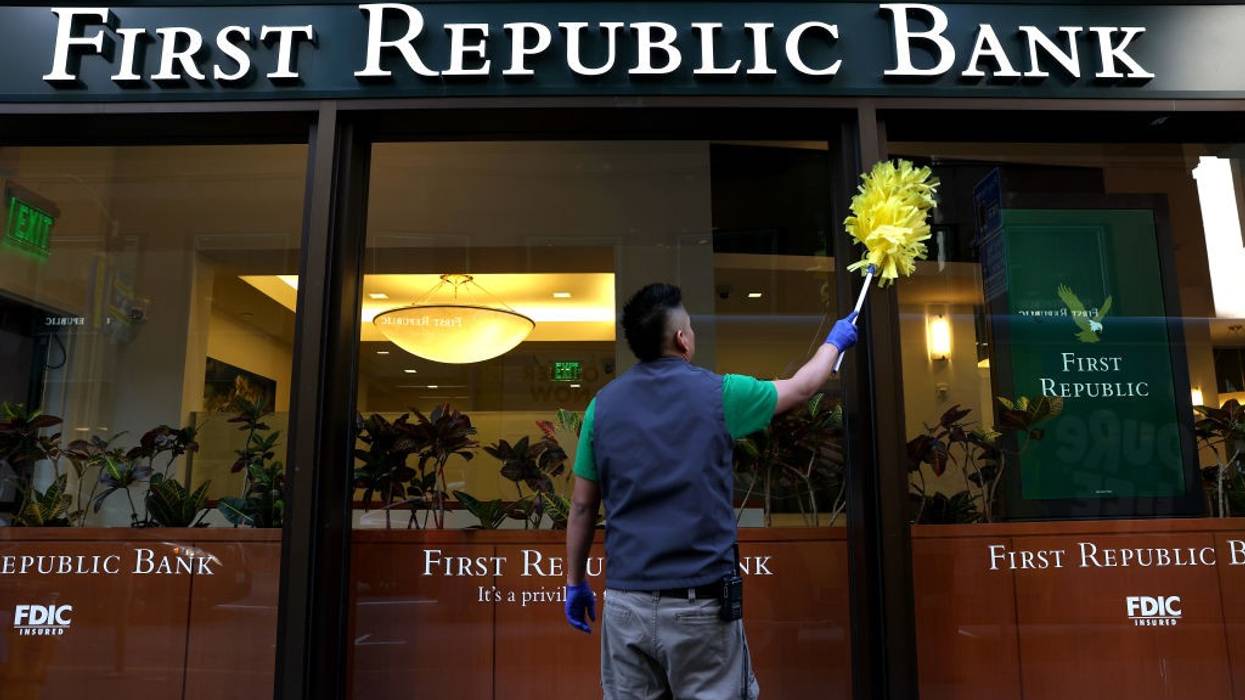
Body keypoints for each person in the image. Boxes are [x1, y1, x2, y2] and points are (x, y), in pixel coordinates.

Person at [562, 282, 859, 699]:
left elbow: (580, 507)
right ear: (682, 339)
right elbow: (802, 387)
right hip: (699, 605)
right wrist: (835, 341)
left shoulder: (602, 406)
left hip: (626, 603)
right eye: (691, 327)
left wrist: (575, 583)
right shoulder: (720, 394)